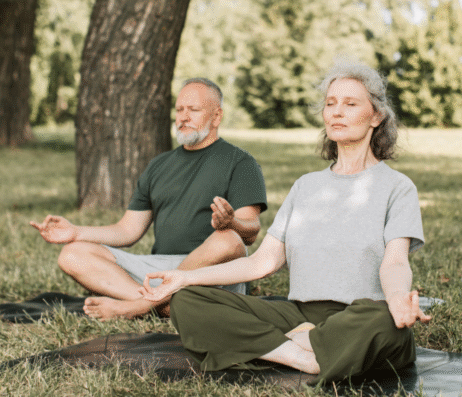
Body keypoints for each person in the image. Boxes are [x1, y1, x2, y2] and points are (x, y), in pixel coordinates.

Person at [139, 60, 430, 384]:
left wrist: (398, 299)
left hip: (360, 316)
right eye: (330, 104)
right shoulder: (306, 186)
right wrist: (183, 279)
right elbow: (262, 262)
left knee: (387, 323)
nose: (336, 112)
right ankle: (301, 356)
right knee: (189, 300)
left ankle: (270, 347)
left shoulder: (397, 187)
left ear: (376, 116)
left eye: (350, 104)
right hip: (300, 317)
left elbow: (395, 263)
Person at [31, 78, 267, 320]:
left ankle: (137, 307)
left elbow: (250, 232)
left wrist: (231, 223)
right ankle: (163, 307)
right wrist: (75, 233)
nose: (183, 117)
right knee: (72, 254)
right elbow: (127, 231)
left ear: (216, 116)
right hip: (160, 270)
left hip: (211, 272)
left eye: (193, 110)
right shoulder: (159, 165)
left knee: (229, 240)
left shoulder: (241, 163)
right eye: (179, 110)